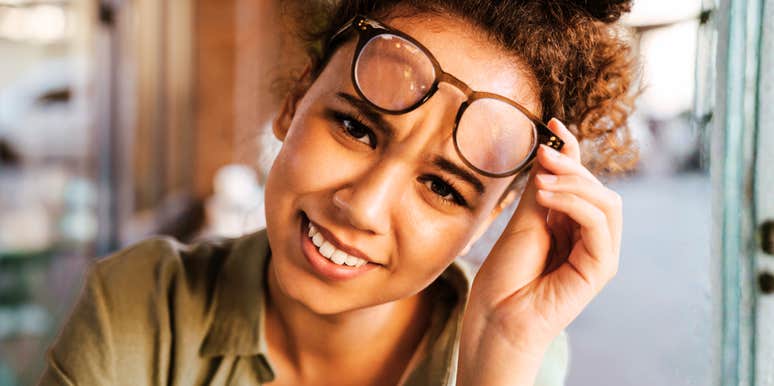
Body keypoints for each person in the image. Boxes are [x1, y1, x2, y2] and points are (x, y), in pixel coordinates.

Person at [39, 0, 638, 385]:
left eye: (443, 187)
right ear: (295, 101)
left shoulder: (514, 356)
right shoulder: (139, 308)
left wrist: (501, 354)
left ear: (494, 219)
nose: (364, 206)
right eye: (356, 127)